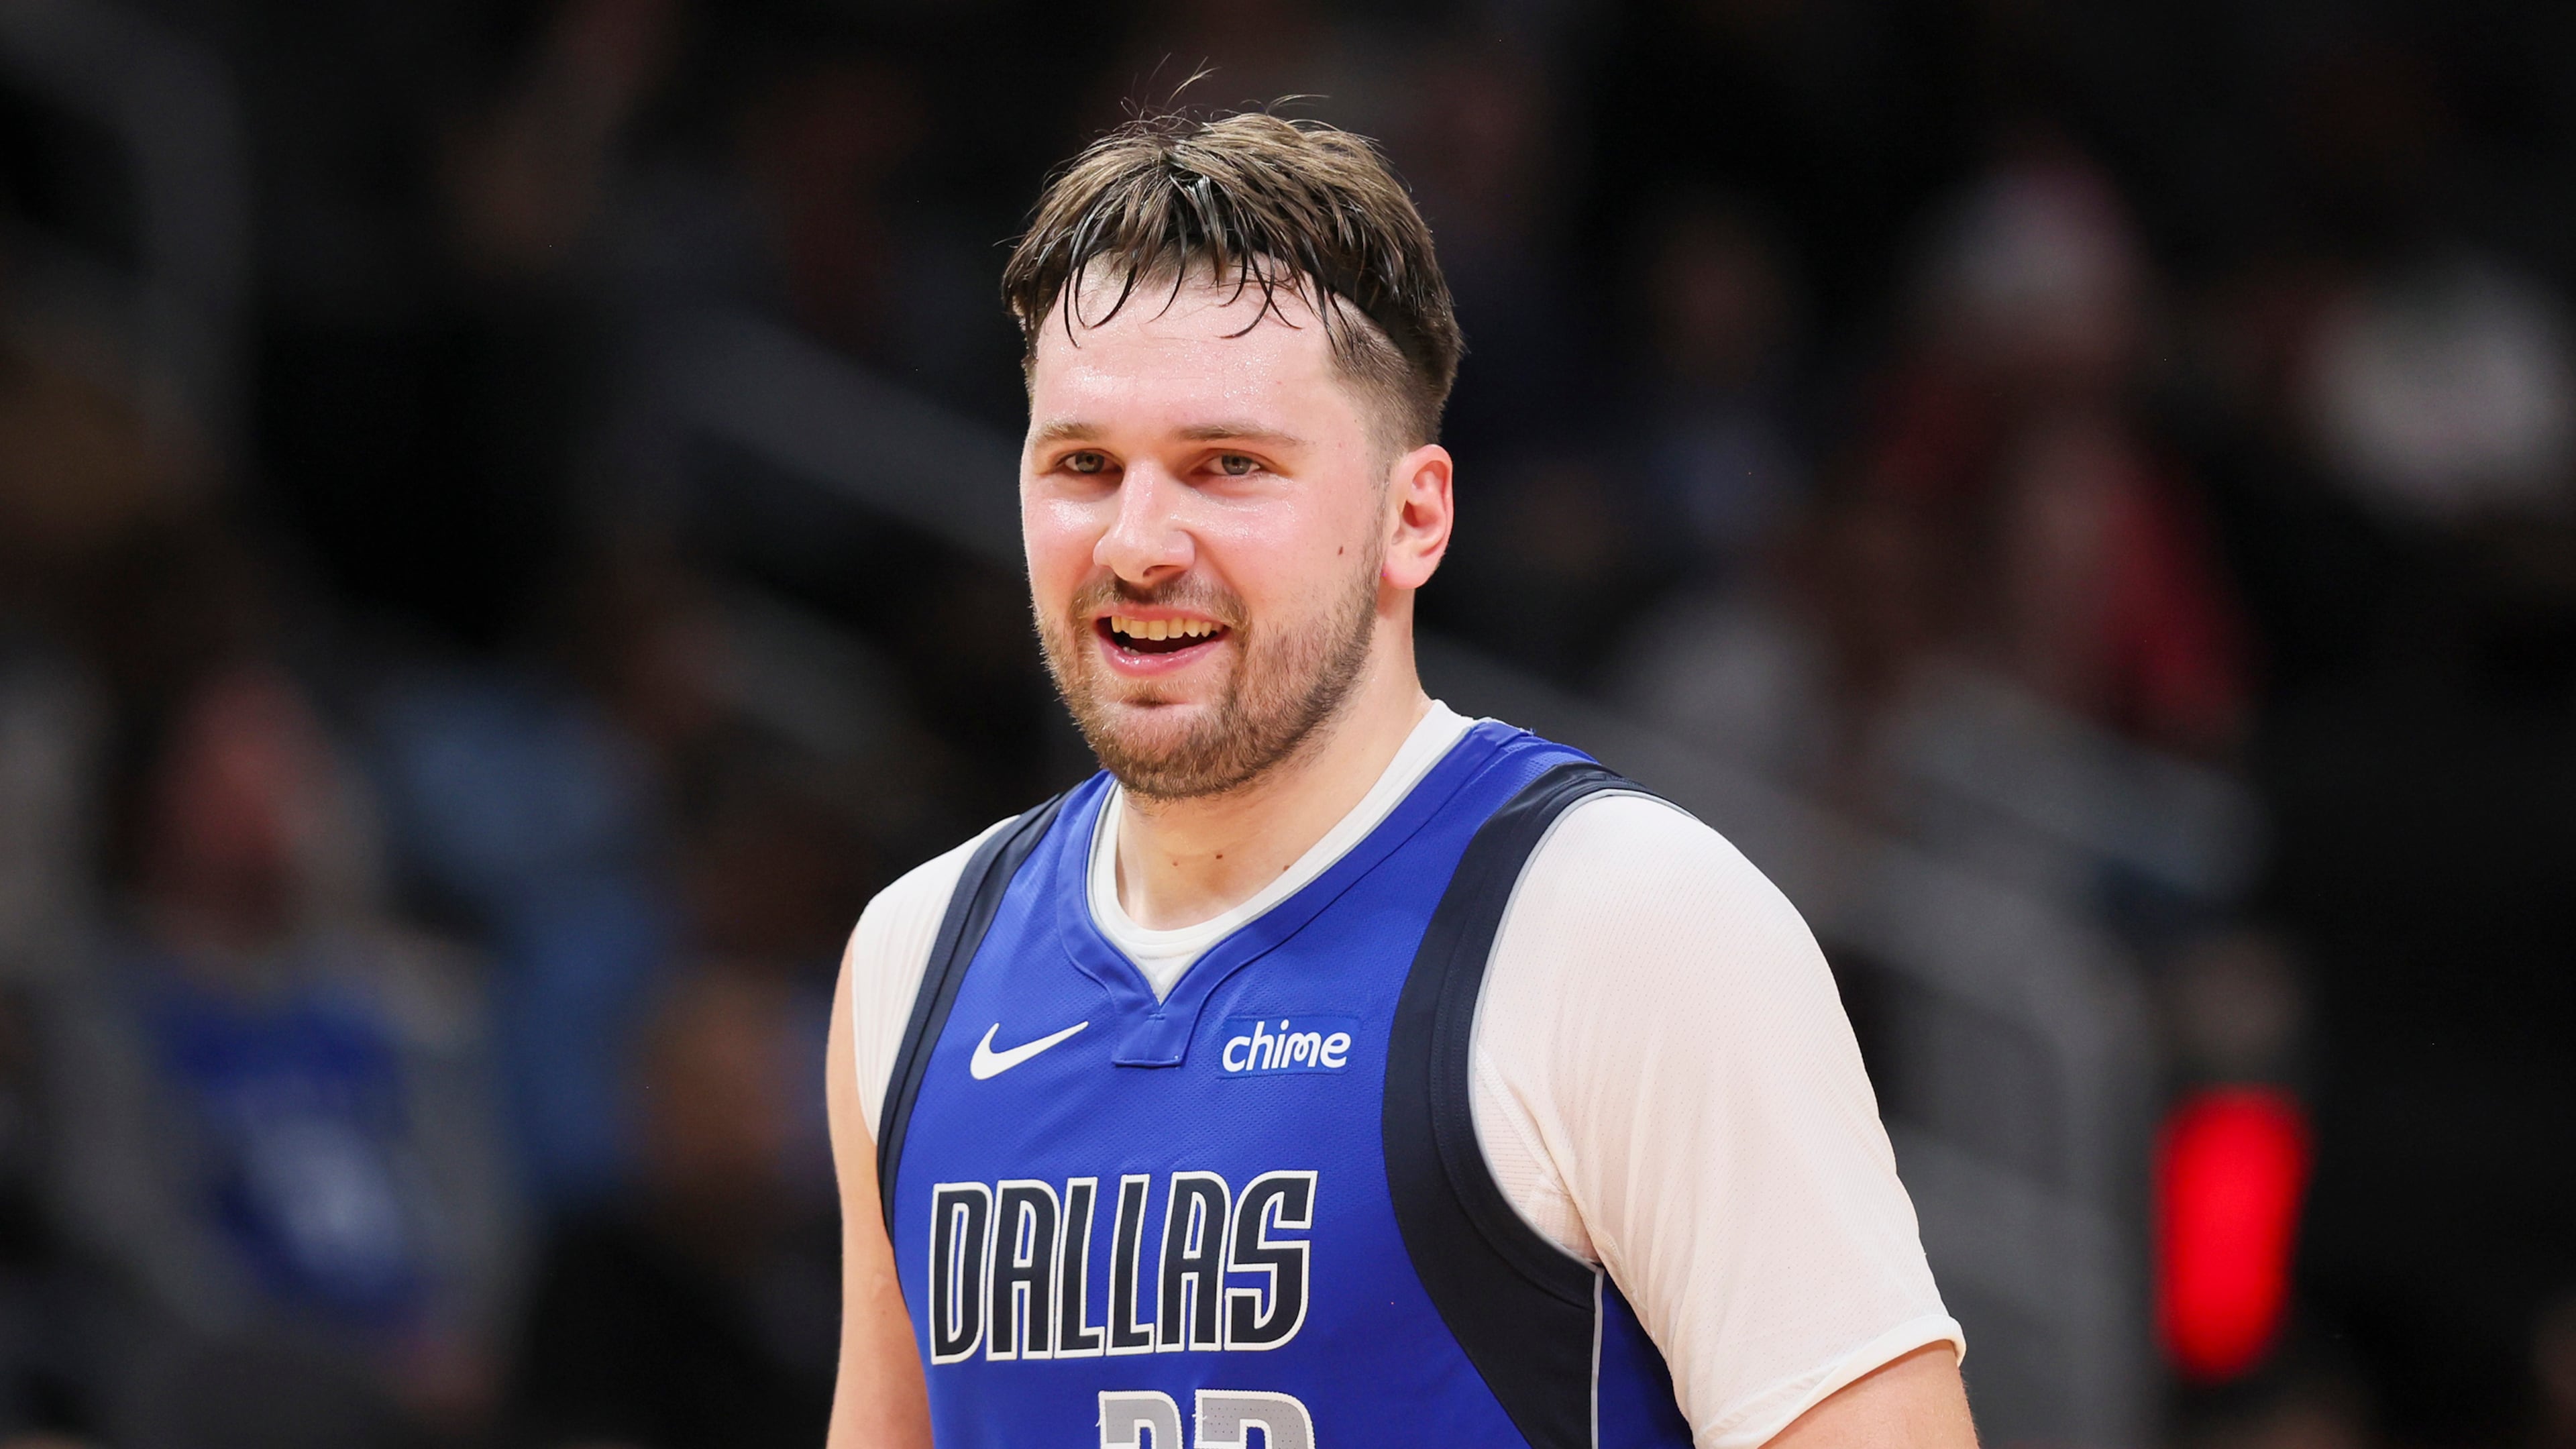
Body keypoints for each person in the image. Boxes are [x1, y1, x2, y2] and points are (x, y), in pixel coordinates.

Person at [824, 111, 1976, 1449]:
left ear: (1412, 515)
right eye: (1083, 465)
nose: (1137, 542)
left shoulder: (1626, 926)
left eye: (1228, 466)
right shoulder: (914, 962)